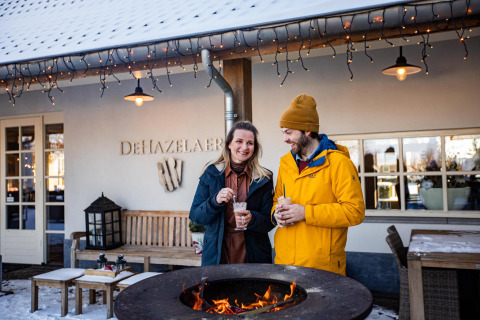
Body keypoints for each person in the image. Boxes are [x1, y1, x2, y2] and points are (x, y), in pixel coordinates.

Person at [272, 94, 365, 275]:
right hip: (284, 262)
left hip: (321, 266)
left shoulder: (339, 163)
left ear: (307, 131)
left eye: (289, 132)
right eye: (283, 132)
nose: (284, 139)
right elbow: (277, 200)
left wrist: (306, 213)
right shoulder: (286, 163)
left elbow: (355, 211)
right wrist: (276, 214)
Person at [190, 121, 275, 266]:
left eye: (250, 143)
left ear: (255, 148)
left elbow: (270, 221)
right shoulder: (211, 173)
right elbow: (196, 216)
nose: (244, 147)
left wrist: (252, 218)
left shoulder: (264, 178)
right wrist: (214, 201)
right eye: (239, 141)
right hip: (217, 252)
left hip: (253, 252)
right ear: (229, 144)